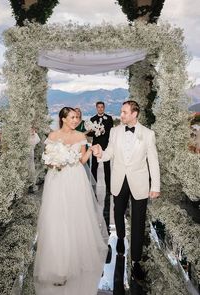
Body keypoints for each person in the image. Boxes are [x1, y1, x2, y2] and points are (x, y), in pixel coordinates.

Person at [34, 107, 107, 295]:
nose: (76, 120)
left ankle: (75, 260)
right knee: (57, 219)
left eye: (77, 117)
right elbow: (47, 160)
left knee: (75, 218)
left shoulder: (80, 136)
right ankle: (59, 266)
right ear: (63, 118)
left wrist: (90, 149)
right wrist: (55, 161)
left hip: (75, 179)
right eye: (72, 117)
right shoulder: (52, 135)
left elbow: (82, 160)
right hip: (57, 180)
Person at [92, 100, 160, 291]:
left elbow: (153, 161)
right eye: (121, 112)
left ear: (134, 114)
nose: (120, 115)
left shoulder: (147, 134)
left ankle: (136, 261)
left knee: (138, 221)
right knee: (118, 211)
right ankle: (121, 237)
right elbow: (109, 154)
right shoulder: (114, 132)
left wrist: (155, 185)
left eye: (124, 112)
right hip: (119, 180)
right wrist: (99, 153)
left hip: (139, 182)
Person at [89, 101, 113, 234]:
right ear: (96, 108)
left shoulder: (109, 118)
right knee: (94, 166)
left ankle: (109, 186)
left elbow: (110, 131)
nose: (100, 108)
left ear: (104, 108)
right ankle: (94, 184)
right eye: (98, 107)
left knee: (108, 167)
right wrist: (96, 132)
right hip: (96, 146)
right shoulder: (92, 119)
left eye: (102, 107)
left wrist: (103, 130)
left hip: (106, 146)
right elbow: (90, 133)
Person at [28, 127, 41, 193]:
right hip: (25, 153)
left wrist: (33, 134)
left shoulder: (35, 135)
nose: (32, 129)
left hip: (30, 153)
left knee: (31, 167)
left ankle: (32, 185)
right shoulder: (24, 134)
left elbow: (36, 141)